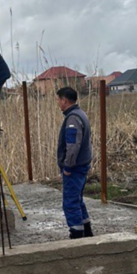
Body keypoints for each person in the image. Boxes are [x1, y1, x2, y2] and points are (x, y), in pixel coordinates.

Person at [56, 87, 94, 239]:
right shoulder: (80, 114)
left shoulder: (72, 118)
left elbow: (72, 146)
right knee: (78, 199)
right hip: (81, 165)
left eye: (58, 100)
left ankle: (77, 235)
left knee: (70, 202)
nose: (57, 103)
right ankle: (87, 230)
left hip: (75, 167)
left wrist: (68, 167)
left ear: (65, 100)